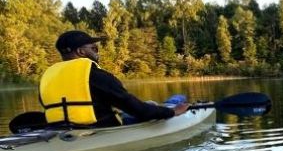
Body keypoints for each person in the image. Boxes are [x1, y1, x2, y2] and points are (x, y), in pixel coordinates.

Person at [39, 30, 189, 127]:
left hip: (61, 130)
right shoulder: (97, 76)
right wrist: (173, 112)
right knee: (177, 99)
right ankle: (176, 105)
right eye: (94, 48)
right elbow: (139, 111)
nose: (97, 53)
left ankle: (169, 104)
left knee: (151, 103)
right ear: (80, 51)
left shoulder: (48, 77)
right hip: (101, 130)